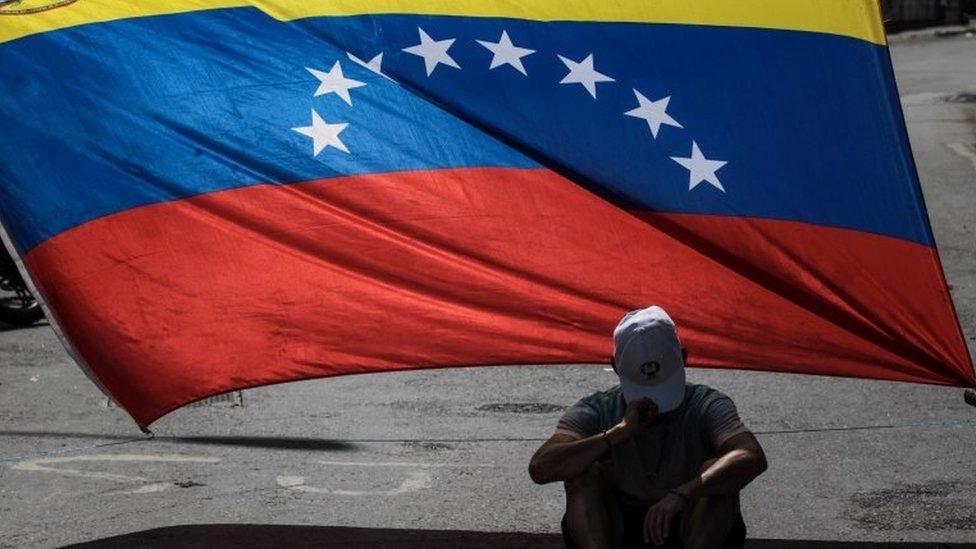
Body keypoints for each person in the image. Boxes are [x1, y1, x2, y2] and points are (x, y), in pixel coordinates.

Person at [529, 306, 767, 549]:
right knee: (581, 474)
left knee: (717, 478)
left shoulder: (706, 403)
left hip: (687, 523)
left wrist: (683, 493)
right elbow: (541, 468)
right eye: (644, 392)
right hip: (619, 528)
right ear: (615, 367)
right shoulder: (597, 409)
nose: (654, 406)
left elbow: (751, 455)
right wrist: (617, 433)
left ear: (684, 359)